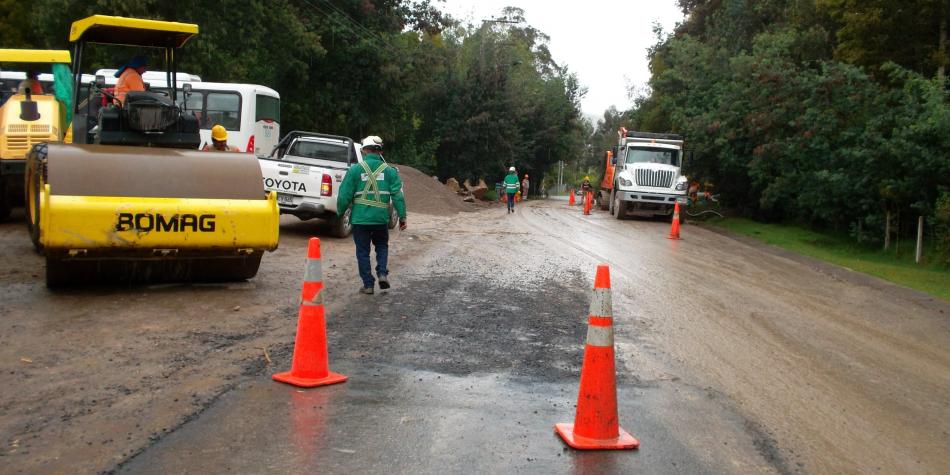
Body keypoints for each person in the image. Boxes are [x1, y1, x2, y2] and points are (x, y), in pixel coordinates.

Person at [337, 135, 407, 295]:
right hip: (380, 219)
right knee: (381, 246)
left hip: (360, 219)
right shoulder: (389, 171)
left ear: (365, 151)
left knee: (362, 251)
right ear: (379, 151)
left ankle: (368, 285)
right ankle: (382, 273)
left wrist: (340, 212)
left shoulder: (355, 170)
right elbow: (397, 195)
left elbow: (344, 195)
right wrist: (402, 217)